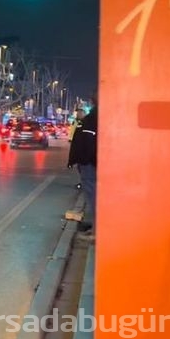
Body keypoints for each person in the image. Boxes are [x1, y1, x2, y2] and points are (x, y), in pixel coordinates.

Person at [68, 101, 97, 238]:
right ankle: (96, 226)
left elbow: (87, 143)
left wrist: (85, 160)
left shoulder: (91, 120)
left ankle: (97, 228)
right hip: (87, 163)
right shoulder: (84, 121)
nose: (78, 114)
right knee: (91, 192)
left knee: (92, 193)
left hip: (89, 164)